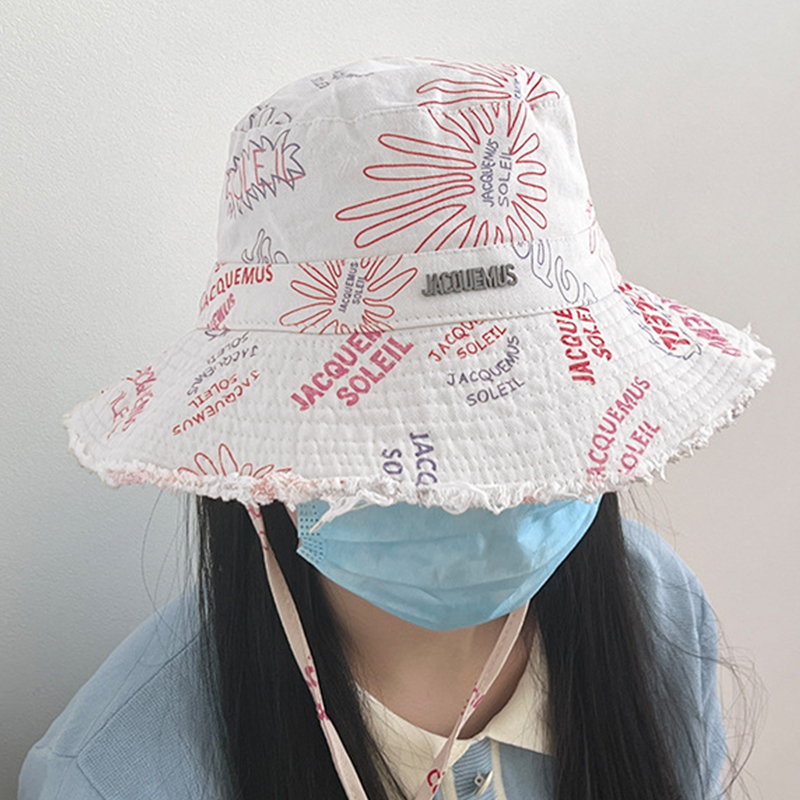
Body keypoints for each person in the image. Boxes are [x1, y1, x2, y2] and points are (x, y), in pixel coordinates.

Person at [20, 56, 774, 800]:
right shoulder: (110, 775)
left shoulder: (657, 607)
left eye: (519, 403)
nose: (471, 478)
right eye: (403, 420)